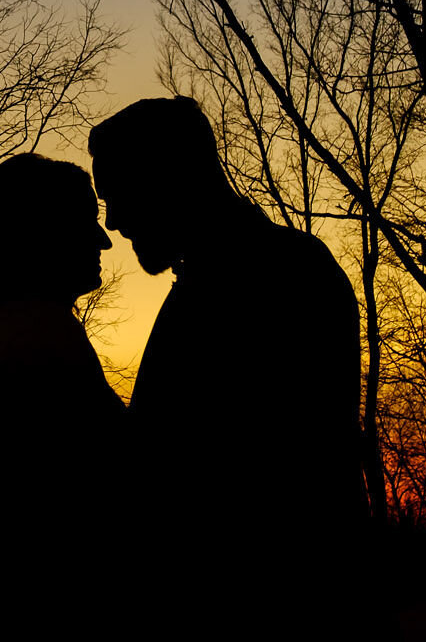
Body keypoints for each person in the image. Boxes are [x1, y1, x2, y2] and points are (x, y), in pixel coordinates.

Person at [88, 96, 365, 632]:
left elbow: (248, 478)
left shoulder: (282, 277)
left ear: (171, 177)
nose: (115, 221)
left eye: (121, 194)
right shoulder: (213, 280)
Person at [0, 152, 123, 639]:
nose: (104, 239)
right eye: (85, 221)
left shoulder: (21, 333)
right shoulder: (35, 344)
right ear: (39, 233)